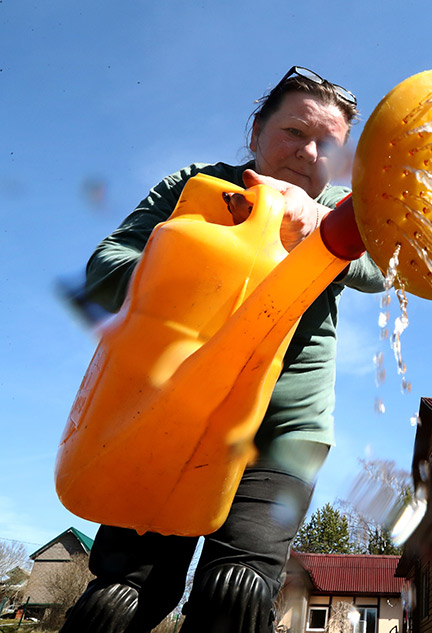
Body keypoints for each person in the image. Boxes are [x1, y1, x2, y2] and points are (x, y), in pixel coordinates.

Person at [60, 66, 386, 633]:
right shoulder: (198, 186)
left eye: (328, 145)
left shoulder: (340, 208)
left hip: (287, 427)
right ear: (256, 130)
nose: (310, 153)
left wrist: (324, 235)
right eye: (295, 132)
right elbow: (105, 269)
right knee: (123, 595)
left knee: (235, 594)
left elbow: (384, 268)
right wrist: (208, 255)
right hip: (172, 408)